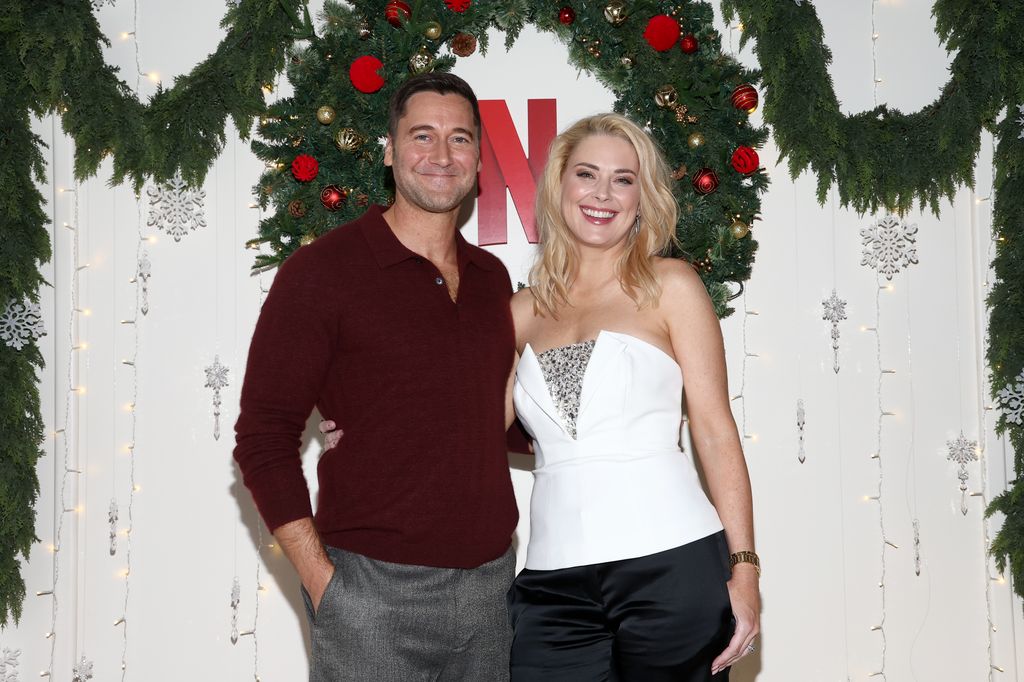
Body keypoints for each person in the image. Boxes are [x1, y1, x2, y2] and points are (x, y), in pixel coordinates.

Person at [233, 72, 519, 682]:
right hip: (369, 593)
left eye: (460, 138)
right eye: (422, 135)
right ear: (389, 152)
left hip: (491, 593)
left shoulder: (493, 280)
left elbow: (492, 414)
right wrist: (324, 583)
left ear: (478, 160)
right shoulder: (322, 272)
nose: (442, 154)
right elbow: (263, 437)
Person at [505, 113, 760, 681]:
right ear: (559, 186)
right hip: (550, 582)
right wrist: (355, 422)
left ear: (642, 198)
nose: (602, 194)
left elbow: (714, 431)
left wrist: (744, 570)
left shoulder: (671, 285)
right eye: (586, 174)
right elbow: (466, 430)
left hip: (673, 567)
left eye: (623, 180)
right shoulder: (520, 311)